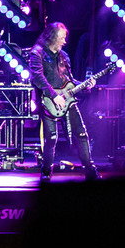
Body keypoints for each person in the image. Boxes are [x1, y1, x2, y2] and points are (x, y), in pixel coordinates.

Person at [25, 21, 98, 184]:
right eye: (61, 38)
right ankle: (46, 171)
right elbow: (37, 77)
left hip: (67, 100)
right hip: (49, 101)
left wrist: (85, 85)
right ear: (51, 37)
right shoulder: (37, 53)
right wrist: (53, 95)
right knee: (51, 138)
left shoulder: (64, 56)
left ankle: (90, 169)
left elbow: (69, 81)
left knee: (81, 134)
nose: (64, 41)